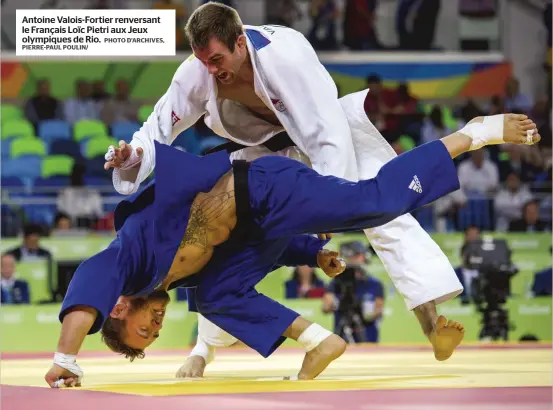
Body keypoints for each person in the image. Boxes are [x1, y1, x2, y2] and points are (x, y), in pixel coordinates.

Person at [104, 2, 468, 361]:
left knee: (384, 215)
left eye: (217, 59)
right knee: (221, 239)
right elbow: (159, 127)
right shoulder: (197, 71)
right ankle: (204, 348)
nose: (210, 70)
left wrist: (328, 207)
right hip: (262, 153)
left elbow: (327, 134)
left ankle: (431, 324)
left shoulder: (287, 56)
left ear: (240, 42)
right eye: (203, 60)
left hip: (325, 135)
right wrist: (132, 156)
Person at [85, 114, 538, 384]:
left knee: (380, 209)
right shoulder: (166, 276)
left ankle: (477, 131)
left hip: (290, 154)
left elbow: (168, 124)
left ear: (122, 309)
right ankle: (422, 327)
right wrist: (308, 254)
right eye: (154, 336)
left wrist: (135, 156)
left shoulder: (138, 257)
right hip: (273, 195)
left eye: (146, 330)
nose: (157, 327)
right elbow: (221, 271)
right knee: (218, 289)